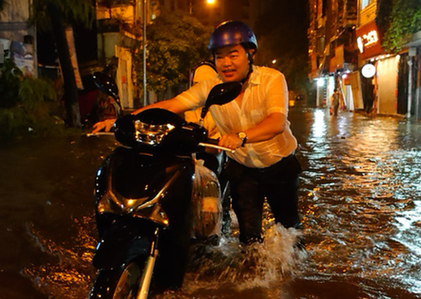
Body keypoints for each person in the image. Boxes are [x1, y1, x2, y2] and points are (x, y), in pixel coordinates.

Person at [92, 20, 303, 246]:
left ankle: (296, 269)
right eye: (219, 56)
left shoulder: (272, 79)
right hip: (243, 169)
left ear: (250, 53)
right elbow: (172, 104)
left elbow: (276, 122)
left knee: (289, 227)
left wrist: (241, 136)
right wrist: (122, 121)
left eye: (233, 55)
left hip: (279, 164)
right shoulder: (211, 86)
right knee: (249, 238)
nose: (226, 63)